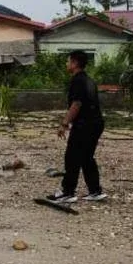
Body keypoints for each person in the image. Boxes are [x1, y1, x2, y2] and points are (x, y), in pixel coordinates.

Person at [48, 50, 107, 203]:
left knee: (72, 157)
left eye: (68, 61)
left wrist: (64, 123)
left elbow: (77, 104)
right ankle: (95, 191)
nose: (66, 64)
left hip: (84, 124)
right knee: (87, 157)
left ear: (74, 63)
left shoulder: (77, 81)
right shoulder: (89, 80)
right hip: (96, 123)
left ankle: (68, 192)